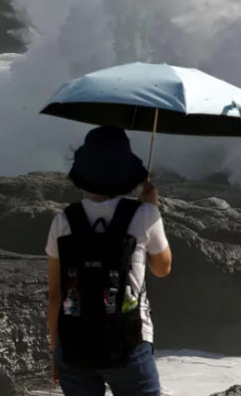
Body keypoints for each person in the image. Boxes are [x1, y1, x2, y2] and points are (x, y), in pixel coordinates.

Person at [45, 125, 172, 396]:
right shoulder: (143, 215)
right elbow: (162, 268)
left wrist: (57, 351)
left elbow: (55, 294)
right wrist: (152, 207)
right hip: (128, 341)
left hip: (73, 344)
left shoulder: (64, 220)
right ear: (127, 172)